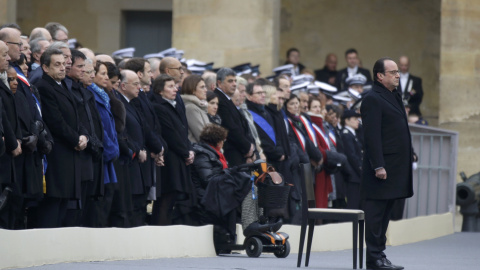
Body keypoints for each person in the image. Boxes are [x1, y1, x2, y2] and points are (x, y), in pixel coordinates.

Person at [361, 57, 413, 270]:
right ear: (380, 76)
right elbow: (372, 136)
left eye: (398, 71)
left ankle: (380, 255)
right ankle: (373, 258)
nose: (397, 75)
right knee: (376, 215)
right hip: (381, 169)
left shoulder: (394, 95)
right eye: (392, 72)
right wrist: (378, 165)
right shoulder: (373, 98)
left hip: (395, 167)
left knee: (385, 215)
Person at [35, 48, 88, 228]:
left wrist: (83, 136)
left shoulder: (63, 84)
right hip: (57, 153)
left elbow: (76, 116)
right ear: (45, 67)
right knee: (53, 204)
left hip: (69, 152)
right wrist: (76, 140)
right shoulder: (44, 87)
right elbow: (55, 121)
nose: (62, 68)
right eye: (56, 65)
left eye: (63, 64)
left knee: (63, 203)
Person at [150, 74, 196, 225]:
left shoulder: (175, 104)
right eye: (170, 86)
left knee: (172, 200)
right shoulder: (159, 107)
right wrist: (185, 152)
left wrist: (190, 150)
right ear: (159, 90)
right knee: (165, 199)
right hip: (170, 160)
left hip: (180, 157)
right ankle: (161, 233)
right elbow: (171, 135)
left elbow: (183, 131)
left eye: (175, 85)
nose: (175, 89)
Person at [214, 68, 255, 166]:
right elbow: (231, 128)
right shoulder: (219, 99)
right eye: (230, 81)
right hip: (233, 153)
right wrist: (248, 148)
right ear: (219, 83)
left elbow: (242, 126)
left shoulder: (227, 99)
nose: (234, 84)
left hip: (240, 152)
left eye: (235, 81)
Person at [340, 109, 363, 210]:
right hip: (352, 176)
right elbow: (352, 156)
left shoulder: (353, 134)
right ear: (347, 120)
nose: (358, 121)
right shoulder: (346, 135)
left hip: (356, 176)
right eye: (355, 119)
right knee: (352, 206)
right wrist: (361, 169)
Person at [181, 74, 209, 143]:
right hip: (200, 150)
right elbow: (202, 135)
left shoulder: (199, 106)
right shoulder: (191, 108)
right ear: (192, 90)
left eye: (205, 87)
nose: (206, 90)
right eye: (202, 87)